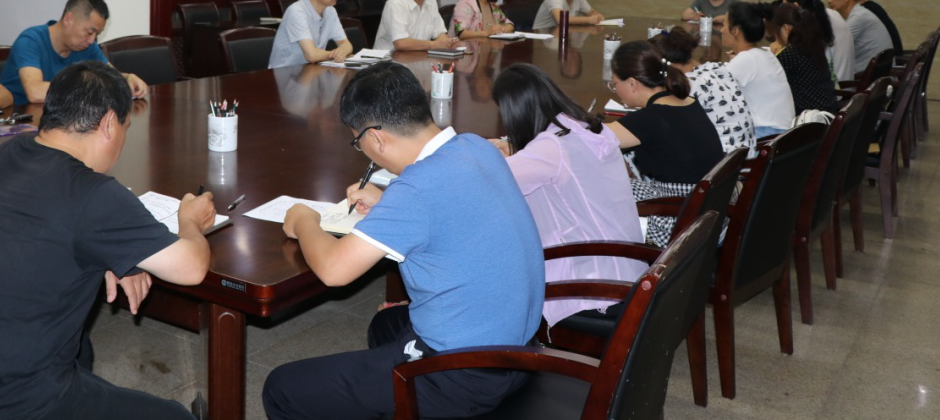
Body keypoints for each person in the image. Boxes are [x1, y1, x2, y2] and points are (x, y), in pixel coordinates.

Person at [0, 62, 216, 420]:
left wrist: (113, 254)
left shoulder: (11, 152)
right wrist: (190, 219)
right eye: (126, 127)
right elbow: (192, 268)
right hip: (10, 400)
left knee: (81, 350)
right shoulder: (94, 194)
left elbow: (44, 232)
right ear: (109, 123)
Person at [262, 61, 544, 420]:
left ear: (376, 138)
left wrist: (305, 220)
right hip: (520, 351)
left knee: (283, 388)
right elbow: (449, 209)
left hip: (464, 376)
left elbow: (333, 271)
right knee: (385, 326)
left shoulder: (415, 190)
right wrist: (387, 202)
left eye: (358, 142)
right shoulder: (476, 146)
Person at [489, 63, 645, 327]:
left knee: (493, 270)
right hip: (628, 271)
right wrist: (513, 149)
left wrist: (487, 153)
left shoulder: (550, 148)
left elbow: (489, 182)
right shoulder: (583, 126)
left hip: (591, 288)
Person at [605, 41, 724, 247]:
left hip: (679, 223)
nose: (615, 90)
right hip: (710, 213)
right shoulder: (687, 102)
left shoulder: (650, 119)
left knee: (600, 188)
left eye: (614, 84)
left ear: (632, 83)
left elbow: (591, 140)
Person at [1, 0, 148, 106]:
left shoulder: (87, 46)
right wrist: (87, 88)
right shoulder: (30, 41)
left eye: (97, 34)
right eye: (89, 32)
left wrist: (127, 78)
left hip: (60, 118)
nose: (92, 40)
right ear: (69, 19)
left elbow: (111, 77)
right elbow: (35, 92)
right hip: (18, 121)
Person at [649, 26, 755, 153]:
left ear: (667, 66)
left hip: (722, 159)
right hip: (745, 155)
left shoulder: (687, 85)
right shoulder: (717, 69)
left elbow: (665, 127)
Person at [721, 2, 795, 138]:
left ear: (735, 30)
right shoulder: (765, 53)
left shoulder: (746, 59)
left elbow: (713, 88)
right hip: (783, 136)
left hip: (767, 136)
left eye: (724, 24)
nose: (721, 30)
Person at [268, 0, 353, 68]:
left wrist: (342, 51)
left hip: (310, 70)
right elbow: (311, 55)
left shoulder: (330, 11)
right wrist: (336, 55)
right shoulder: (296, 11)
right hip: (284, 73)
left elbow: (346, 44)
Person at [768, 2, 838, 116]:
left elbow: (769, 80)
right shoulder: (814, 46)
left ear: (785, 28)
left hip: (807, 119)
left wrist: (773, 55)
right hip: (828, 112)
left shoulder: (789, 54)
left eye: (776, 33)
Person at [786, 0, 853, 86]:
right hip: (845, 85)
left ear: (795, 5)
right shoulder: (832, 14)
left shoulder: (811, 24)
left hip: (837, 89)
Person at [826, 0, 893, 77]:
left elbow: (833, 46)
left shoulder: (859, 18)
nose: (829, 1)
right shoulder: (860, 14)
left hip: (863, 78)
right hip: (873, 76)